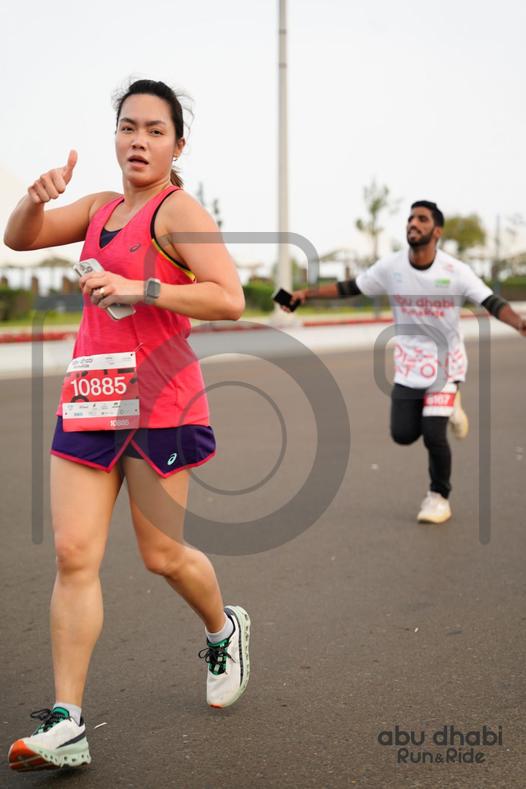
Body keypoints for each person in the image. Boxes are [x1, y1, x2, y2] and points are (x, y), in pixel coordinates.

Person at [5, 79, 251, 773]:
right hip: (92, 396)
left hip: (162, 401)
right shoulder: (97, 209)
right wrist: (34, 198)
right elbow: (19, 238)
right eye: (127, 127)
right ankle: (67, 721)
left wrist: (140, 287)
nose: (138, 141)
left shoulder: (180, 212)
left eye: (154, 130)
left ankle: (223, 628)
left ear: (178, 145)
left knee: (161, 555)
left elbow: (229, 297)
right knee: (73, 553)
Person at [284, 200, 526, 524]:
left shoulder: (455, 271)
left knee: (433, 433)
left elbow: (491, 301)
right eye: (411, 218)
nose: (413, 223)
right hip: (410, 365)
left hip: (445, 364)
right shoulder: (391, 267)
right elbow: (350, 286)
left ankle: (439, 497)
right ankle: (452, 408)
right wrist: (306, 294)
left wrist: (519, 323)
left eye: (422, 219)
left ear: (437, 231)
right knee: (403, 433)